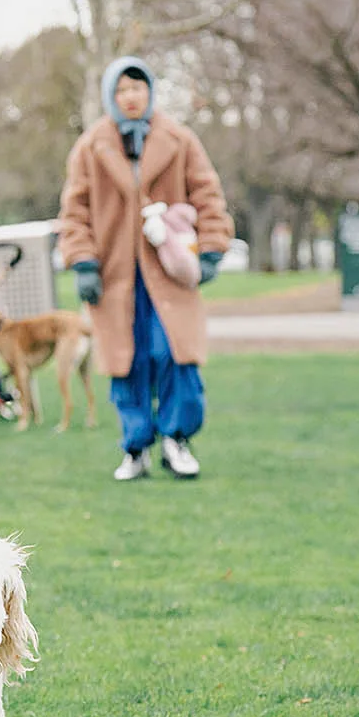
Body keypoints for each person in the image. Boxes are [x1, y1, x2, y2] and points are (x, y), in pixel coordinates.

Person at [56, 57, 232, 481]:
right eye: (122, 90)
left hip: (170, 274)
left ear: (150, 92)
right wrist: (83, 262)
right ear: (110, 97)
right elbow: (74, 212)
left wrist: (210, 249)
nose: (131, 97)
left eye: (138, 88)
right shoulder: (90, 146)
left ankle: (177, 440)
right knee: (126, 362)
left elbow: (209, 195)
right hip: (116, 278)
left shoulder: (181, 140)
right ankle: (135, 448)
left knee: (175, 356)